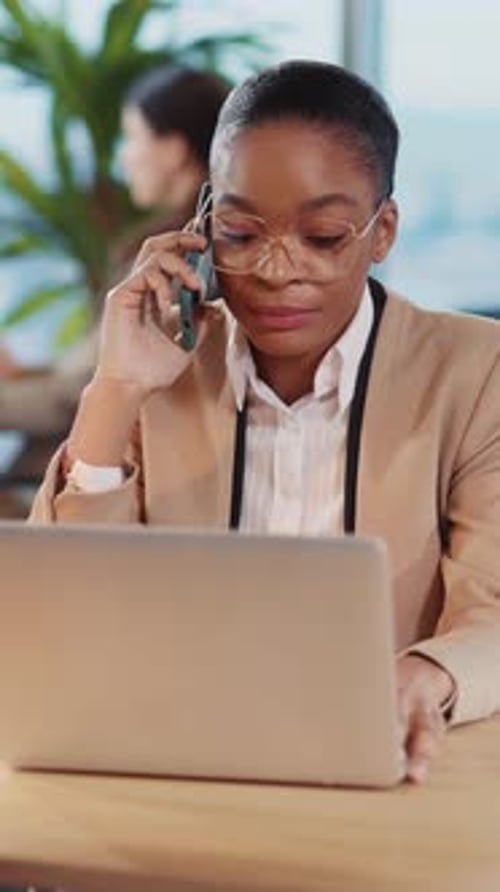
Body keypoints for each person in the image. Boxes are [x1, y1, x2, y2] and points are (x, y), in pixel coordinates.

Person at [30, 60, 500, 783]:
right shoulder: (162, 364)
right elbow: (61, 616)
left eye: (324, 237)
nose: (279, 270)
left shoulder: (476, 371)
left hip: (389, 773)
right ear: (202, 223)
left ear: (383, 232)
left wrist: (425, 676)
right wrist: (117, 389)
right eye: (242, 233)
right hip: (171, 763)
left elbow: (493, 611)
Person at [0, 64, 230, 438]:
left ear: (173, 150)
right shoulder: (206, 242)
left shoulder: (174, 260)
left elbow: (82, 398)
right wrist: (23, 374)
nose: (124, 158)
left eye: (132, 138)